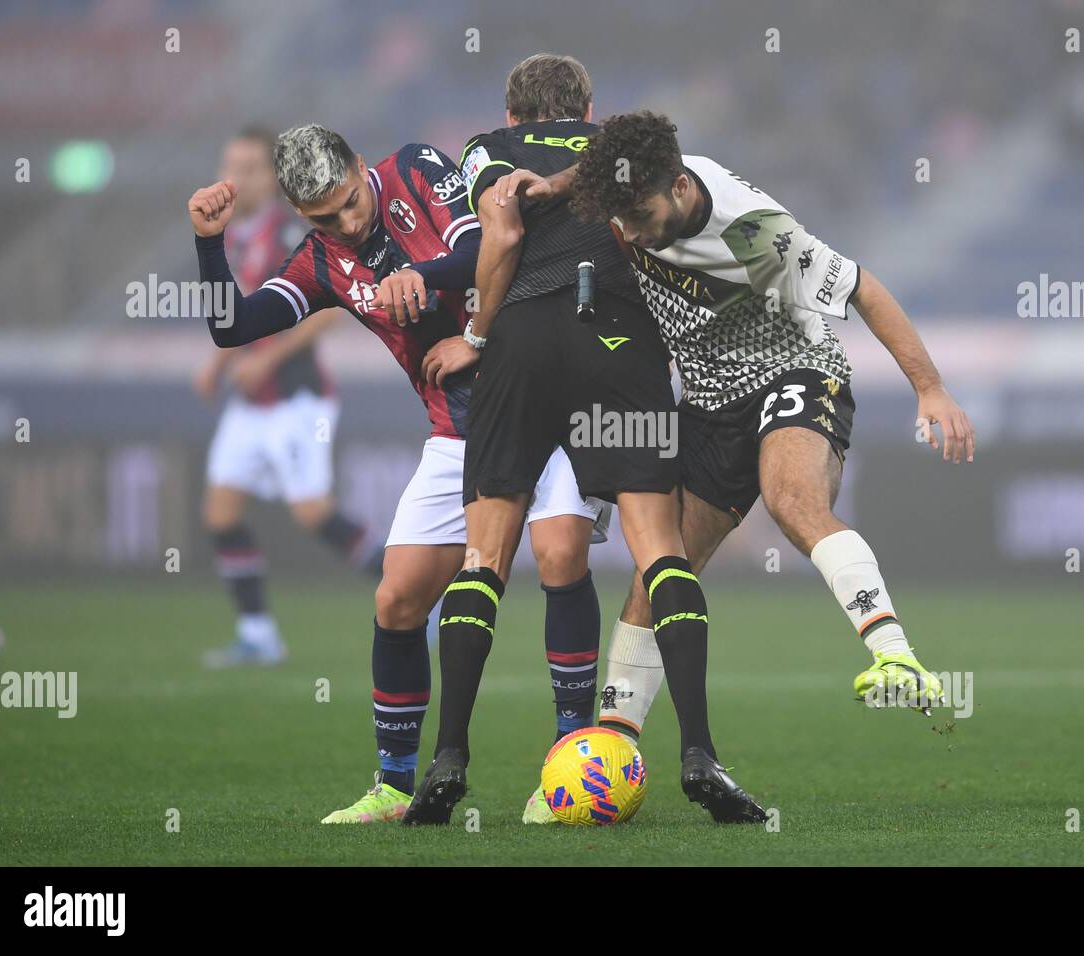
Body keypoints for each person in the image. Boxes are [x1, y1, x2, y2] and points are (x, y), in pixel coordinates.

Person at [503, 110, 976, 820]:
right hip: (710, 401)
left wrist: (930, 388)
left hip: (795, 368)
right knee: (660, 572)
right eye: (619, 218)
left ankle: (892, 651)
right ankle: (605, 753)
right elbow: (601, 161)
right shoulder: (632, 187)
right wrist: (551, 182)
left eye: (638, 215)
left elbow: (866, 292)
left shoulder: (754, 232)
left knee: (791, 500)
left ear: (681, 187)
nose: (627, 232)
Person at [188, 123, 608, 824]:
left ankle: (571, 768)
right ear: (300, 213)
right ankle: (393, 786)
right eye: (325, 217)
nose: (347, 223)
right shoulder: (321, 260)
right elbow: (234, 326)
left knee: (561, 554)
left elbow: (484, 246)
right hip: (457, 432)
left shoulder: (414, 167)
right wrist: (209, 243)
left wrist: (421, 274)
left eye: (351, 202)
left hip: (545, 404)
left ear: (361, 167)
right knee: (397, 600)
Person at [401, 56, 765, 827]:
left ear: (511, 107)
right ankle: (699, 751)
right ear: (588, 106)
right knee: (660, 553)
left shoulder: (486, 149)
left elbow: (498, 233)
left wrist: (474, 334)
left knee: (484, 560)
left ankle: (450, 759)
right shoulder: (620, 150)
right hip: (620, 345)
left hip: (523, 342)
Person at [193, 126, 374, 669]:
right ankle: (258, 633)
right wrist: (220, 363)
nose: (236, 177)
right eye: (230, 164)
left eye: (248, 167)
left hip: (297, 397)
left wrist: (266, 360)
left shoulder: (292, 234)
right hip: (252, 402)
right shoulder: (242, 234)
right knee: (220, 512)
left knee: (314, 513)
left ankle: (419, 596)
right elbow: (245, 315)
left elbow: (332, 308)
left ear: (273, 178)